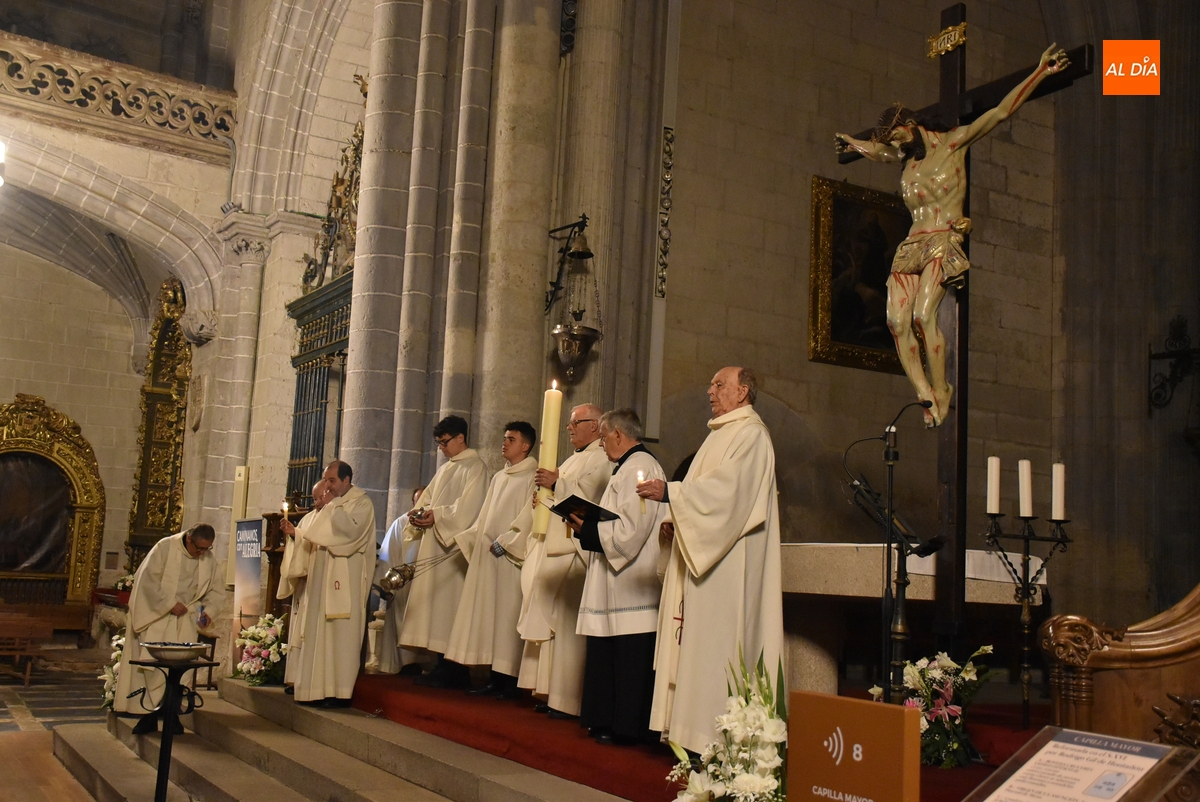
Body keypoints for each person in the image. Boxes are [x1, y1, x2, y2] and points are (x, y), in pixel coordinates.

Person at [835, 44, 1069, 426]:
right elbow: (877, 151)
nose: (895, 146)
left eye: (898, 138)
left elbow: (1000, 111)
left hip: (944, 236)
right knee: (896, 320)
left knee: (925, 313)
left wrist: (1040, 72)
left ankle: (942, 389)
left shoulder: (955, 143)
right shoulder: (902, 157)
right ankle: (924, 392)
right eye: (892, 142)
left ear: (911, 125)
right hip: (912, 244)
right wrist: (853, 142)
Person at [637, 367, 783, 754]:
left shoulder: (751, 434)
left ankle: (715, 741)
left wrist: (672, 494)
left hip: (728, 567)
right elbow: (701, 494)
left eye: (720, 385)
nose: (710, 391)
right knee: (699, 650)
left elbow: (726, 494)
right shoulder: (720, 433)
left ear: (743, 392)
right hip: (706, 563)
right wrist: (676, 521)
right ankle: (691, 737)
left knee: (720, 650)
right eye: (712, 385)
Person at [566, 409, 666, 745]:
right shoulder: (625, 468)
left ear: (619, 435)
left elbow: (632, 531)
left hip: (632, 587)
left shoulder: (641, 468)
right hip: (616, 582)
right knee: (609, 653)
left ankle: (626, 727)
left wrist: (590, 528)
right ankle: (605, 720)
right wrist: (588, 526)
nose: (602, 444)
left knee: (629, 658)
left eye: (605, 437)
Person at [517, 403, 611, 718]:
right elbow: (561, 497)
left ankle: (568, 699)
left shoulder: (602, 458)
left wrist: (558, 485)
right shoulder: (574, 458)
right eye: (569, 423)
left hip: (574, 552)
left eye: (575, 423)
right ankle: (549, 691)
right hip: (557, 548)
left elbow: (593, 500)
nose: (569, 428)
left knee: (567, 626)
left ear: (596, 426)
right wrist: (543, 501)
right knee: (553, 621)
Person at [444, 421, 539, 698]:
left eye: (511, 439)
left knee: (507, 617)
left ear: (526, 445)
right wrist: (469, 537)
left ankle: (509, 680)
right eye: (504, 438)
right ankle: (494, 678)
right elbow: (484, 518)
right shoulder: (500, 477)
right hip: (490, 558)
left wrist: (508, 541)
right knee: (491, 618)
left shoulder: (532, 476)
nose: (504, 443)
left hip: (509, 559)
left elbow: (528, 517)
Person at [401, 415, 489, 687]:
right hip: (435, 543)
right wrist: (417, 514)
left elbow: (469, 510)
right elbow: (427, 500)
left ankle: (455, 669)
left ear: (461, 438)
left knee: (449, 607)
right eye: (438, 443)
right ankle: (441, 663)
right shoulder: (447, 468)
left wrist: (436, 515)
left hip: (453, 550)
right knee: (435, 608)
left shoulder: (476, 468)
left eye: (444, 442)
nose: (441, 448)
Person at [281, 459, 375, 707]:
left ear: (346, 480)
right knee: (318, 635)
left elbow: (350, 537)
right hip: (320, 583)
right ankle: (314, 690)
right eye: (325, 480)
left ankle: (338, 693)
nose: (327, 485)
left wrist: (334, 507)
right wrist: (297, 535)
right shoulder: (330, 506)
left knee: (340, 637)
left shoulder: (361, 503)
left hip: (345, 582)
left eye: (332, 480)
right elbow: (314, 536)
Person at [113, 523, 221, 731]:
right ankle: (148, 716)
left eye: (207, 549)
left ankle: (172, 715)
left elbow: (215, 590)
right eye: (199, 548)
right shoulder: (164, 548)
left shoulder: (207, 558)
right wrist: (169, 604)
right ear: (189, 539)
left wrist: (207, 612)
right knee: (154, 668)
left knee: (180, 671)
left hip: (186, 622)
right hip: (159, 619)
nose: (202, 553)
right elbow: (147, 582)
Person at [276, 478, 332, 693]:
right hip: (304, 584)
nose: (317, 502)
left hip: (319, 583)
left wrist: (297, 535)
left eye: (320, 498)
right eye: (315, 498)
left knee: (309, 632)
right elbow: (303, 542)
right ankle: (295, 678)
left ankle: (307, 679)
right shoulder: (309, 518)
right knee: (298, 631)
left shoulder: (330, 518)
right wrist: (293, 535)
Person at [374, 485, 425, 675]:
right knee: (404, 621)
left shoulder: (436, 523)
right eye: (417, 501)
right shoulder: (401, 523)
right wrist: (388, 586)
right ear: (413, 503)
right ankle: (407, 664)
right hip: (405, 586)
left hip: (428, 586)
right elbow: (389, 554)